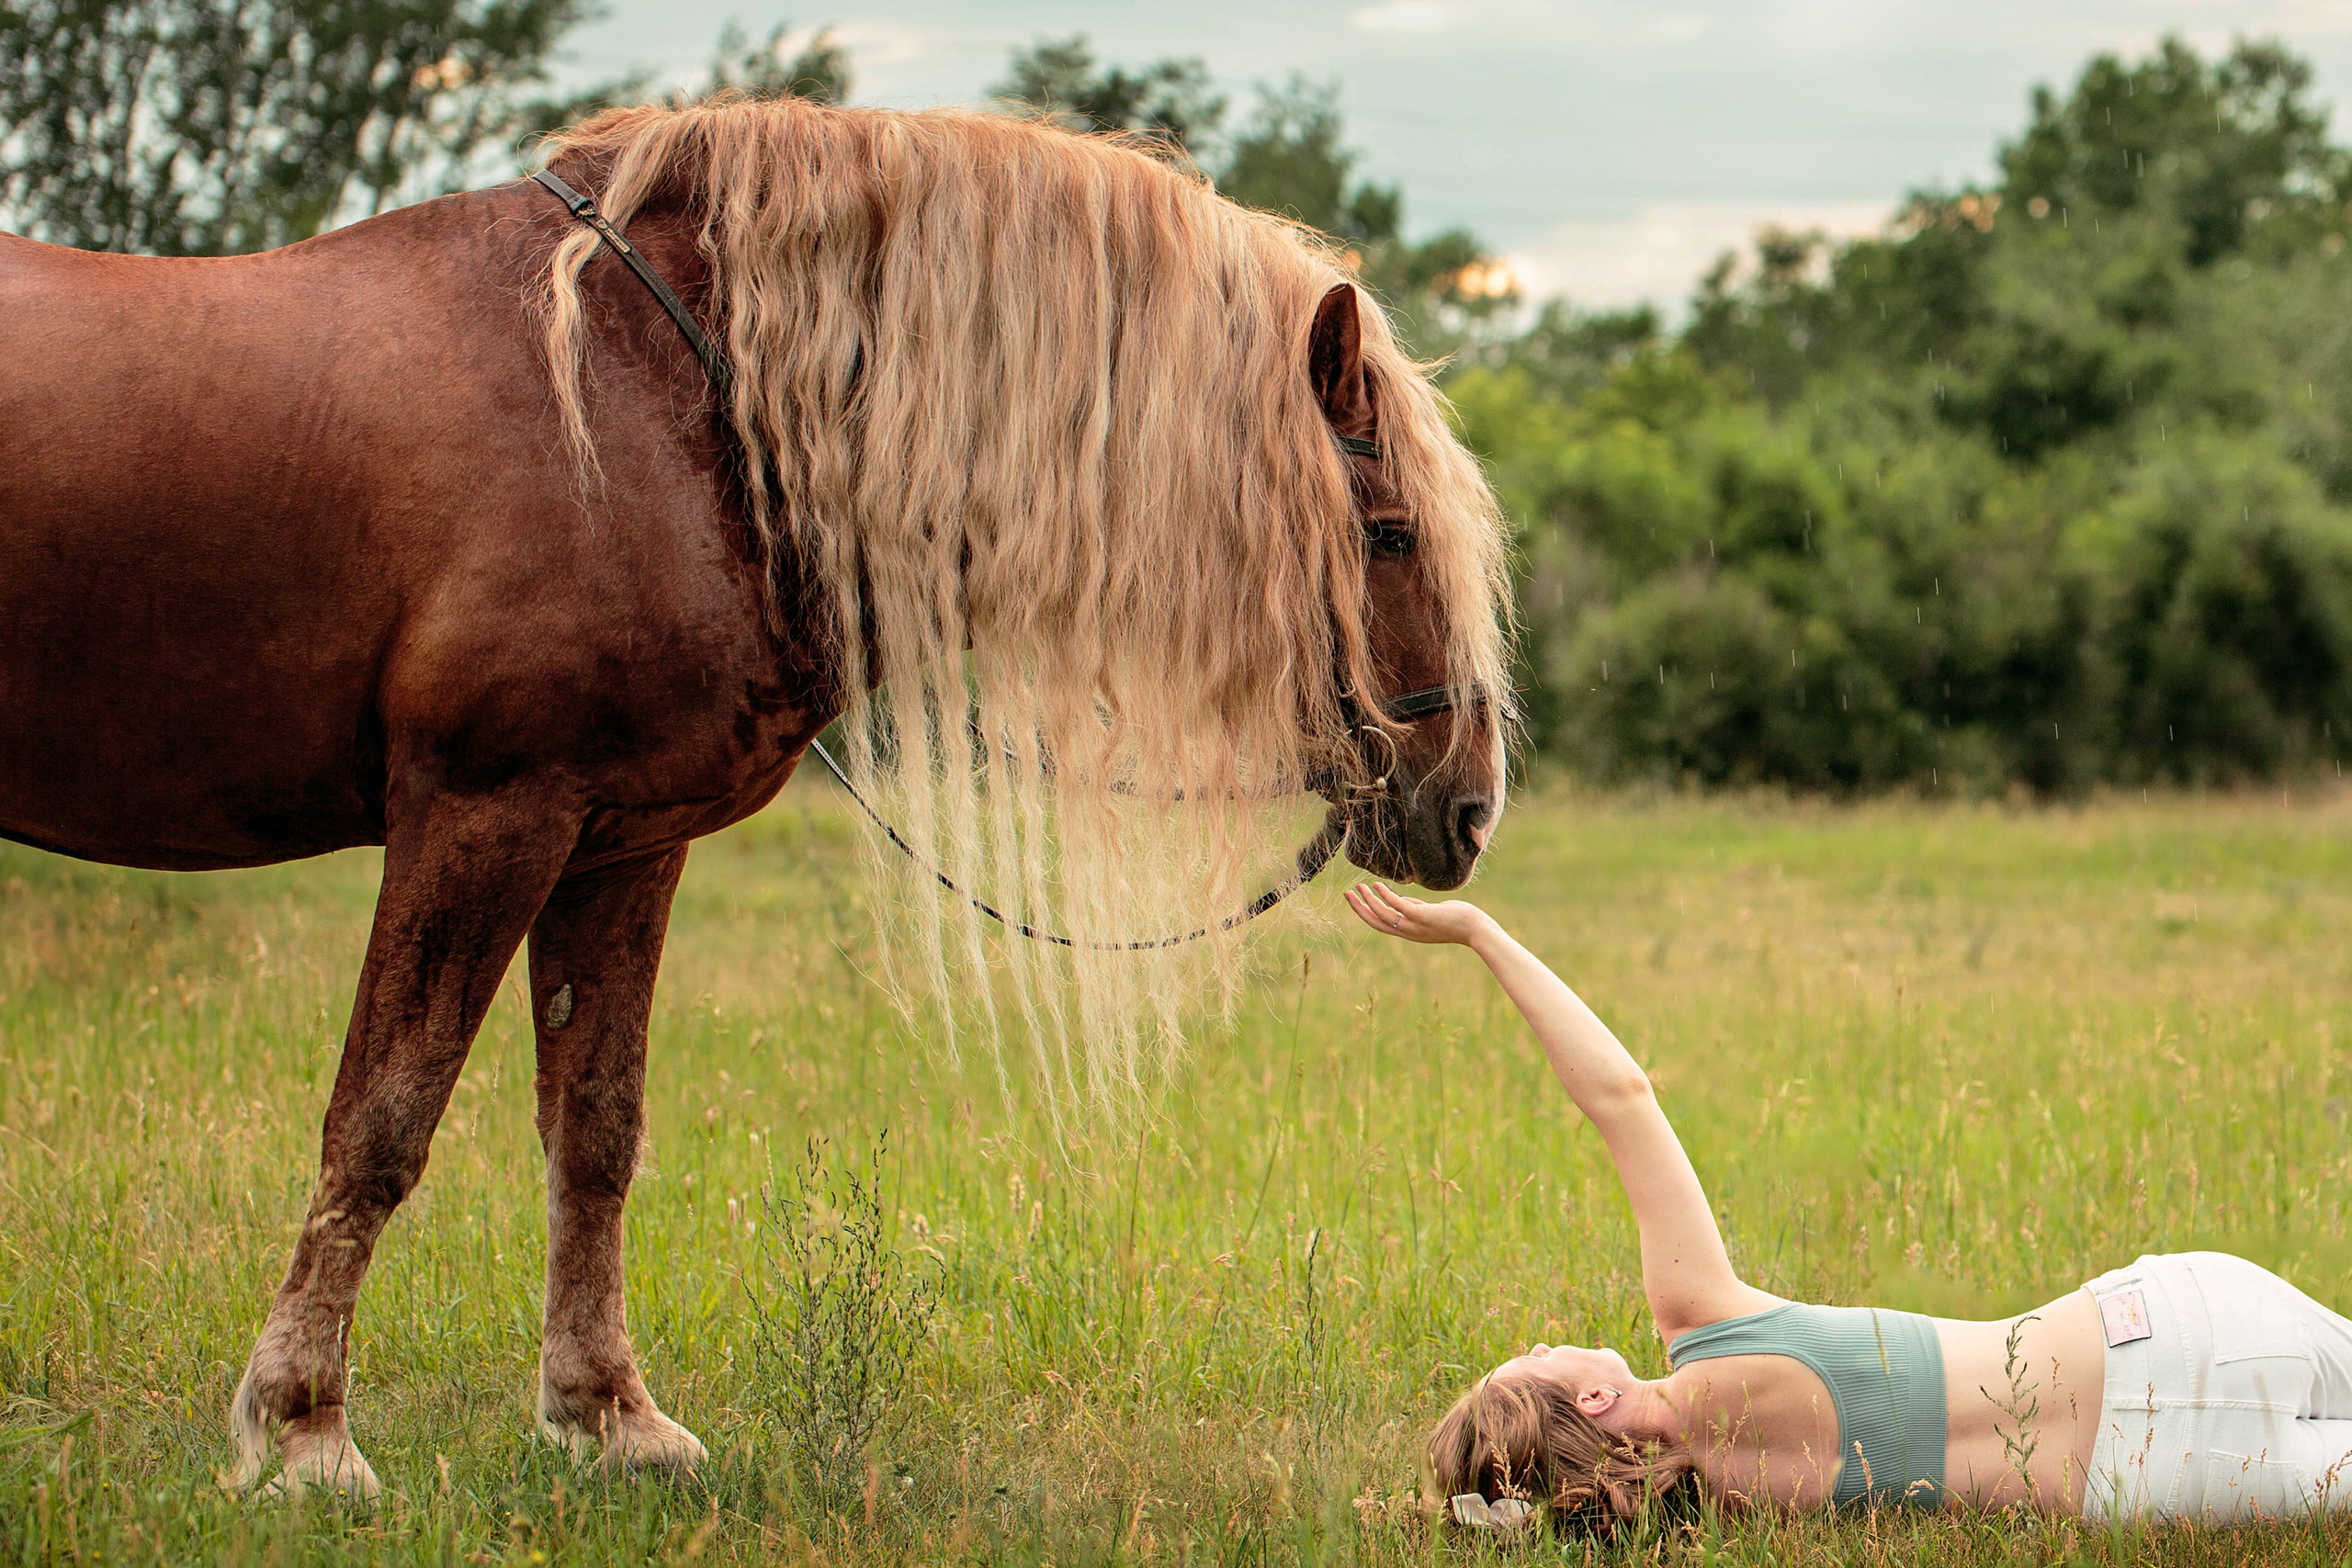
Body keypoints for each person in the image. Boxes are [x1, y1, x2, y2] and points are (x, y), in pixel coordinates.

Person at [1341, 881, 2352, 1531]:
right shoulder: (1700, 1325)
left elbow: (1522, 1499)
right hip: (2158, 1334)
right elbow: (1618, 1097)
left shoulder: (1721, 1521)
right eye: (1533, 1357)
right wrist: (1481, 932)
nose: (1545, 1340)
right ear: (1593, 1402)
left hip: (2163, 1480)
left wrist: (1466, 1504)